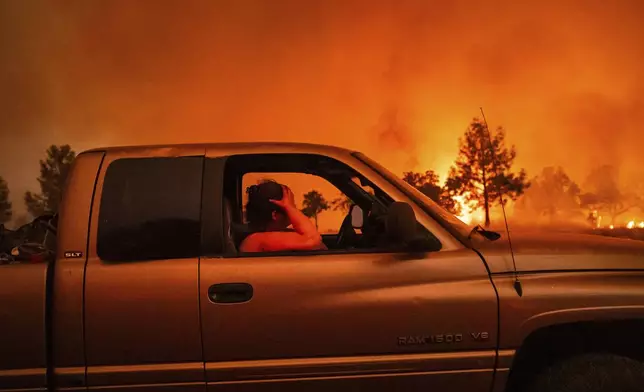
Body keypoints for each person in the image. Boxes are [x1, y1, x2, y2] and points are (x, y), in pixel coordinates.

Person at [239, 180, 327, 252]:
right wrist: (289, 207)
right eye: (292, 206)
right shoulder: (256, 240)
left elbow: (319, 245)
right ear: (275, 215)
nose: (295, 210)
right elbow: (313, 238)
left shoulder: (266, 236)